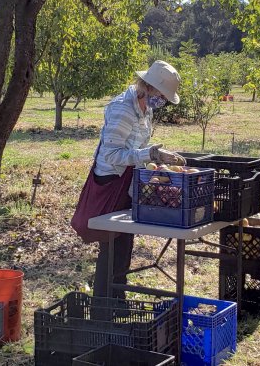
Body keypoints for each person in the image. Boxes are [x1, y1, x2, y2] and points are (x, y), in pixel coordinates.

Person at [72, 60, 186, 299]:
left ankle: (117, 299)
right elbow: (111, 155)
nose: (163, 101)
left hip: (129, 177)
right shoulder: (123, 109)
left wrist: (155, 163)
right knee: (112, 245)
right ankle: (103, 305)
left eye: (166, 97)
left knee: (124, 244)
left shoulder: (146, 109)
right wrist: (150, 154)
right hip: (111, 180)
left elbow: (139, 146)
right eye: (162, 95)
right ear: (148, 87)